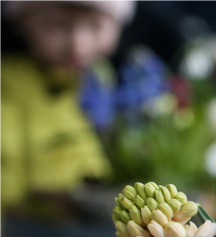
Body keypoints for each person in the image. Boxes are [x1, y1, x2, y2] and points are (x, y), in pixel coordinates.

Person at [0, 0, 135, 220]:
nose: (77, 44)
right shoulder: (9, 86)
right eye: (58, 25)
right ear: (22, 23)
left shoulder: (107, 81)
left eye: (95, 26)